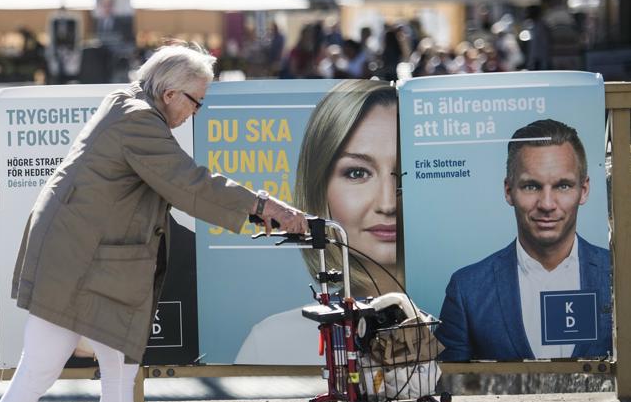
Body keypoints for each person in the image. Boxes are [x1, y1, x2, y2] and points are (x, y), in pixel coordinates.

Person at [0, 43, 307, 402]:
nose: (194, 114)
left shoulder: (127, 105)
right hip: (81, 264)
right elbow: (189, 183)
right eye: (196, 102)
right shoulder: (138, 120)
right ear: (171, 93)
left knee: (118, 374)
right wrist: (268, 207)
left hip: (93, 263)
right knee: (40, 372)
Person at [234, 79, 401, 365]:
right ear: (318, 188)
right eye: (358, 173)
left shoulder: (458, 323)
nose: (387, 204)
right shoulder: (274, 342)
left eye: (403, 173)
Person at [437, 119, 611, 361]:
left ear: (584, 190)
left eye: (562, 186)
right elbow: (447, 387)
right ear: (509, 191)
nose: (547, 204)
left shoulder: (619, 275)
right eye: (531, 186)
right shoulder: (467, 290)